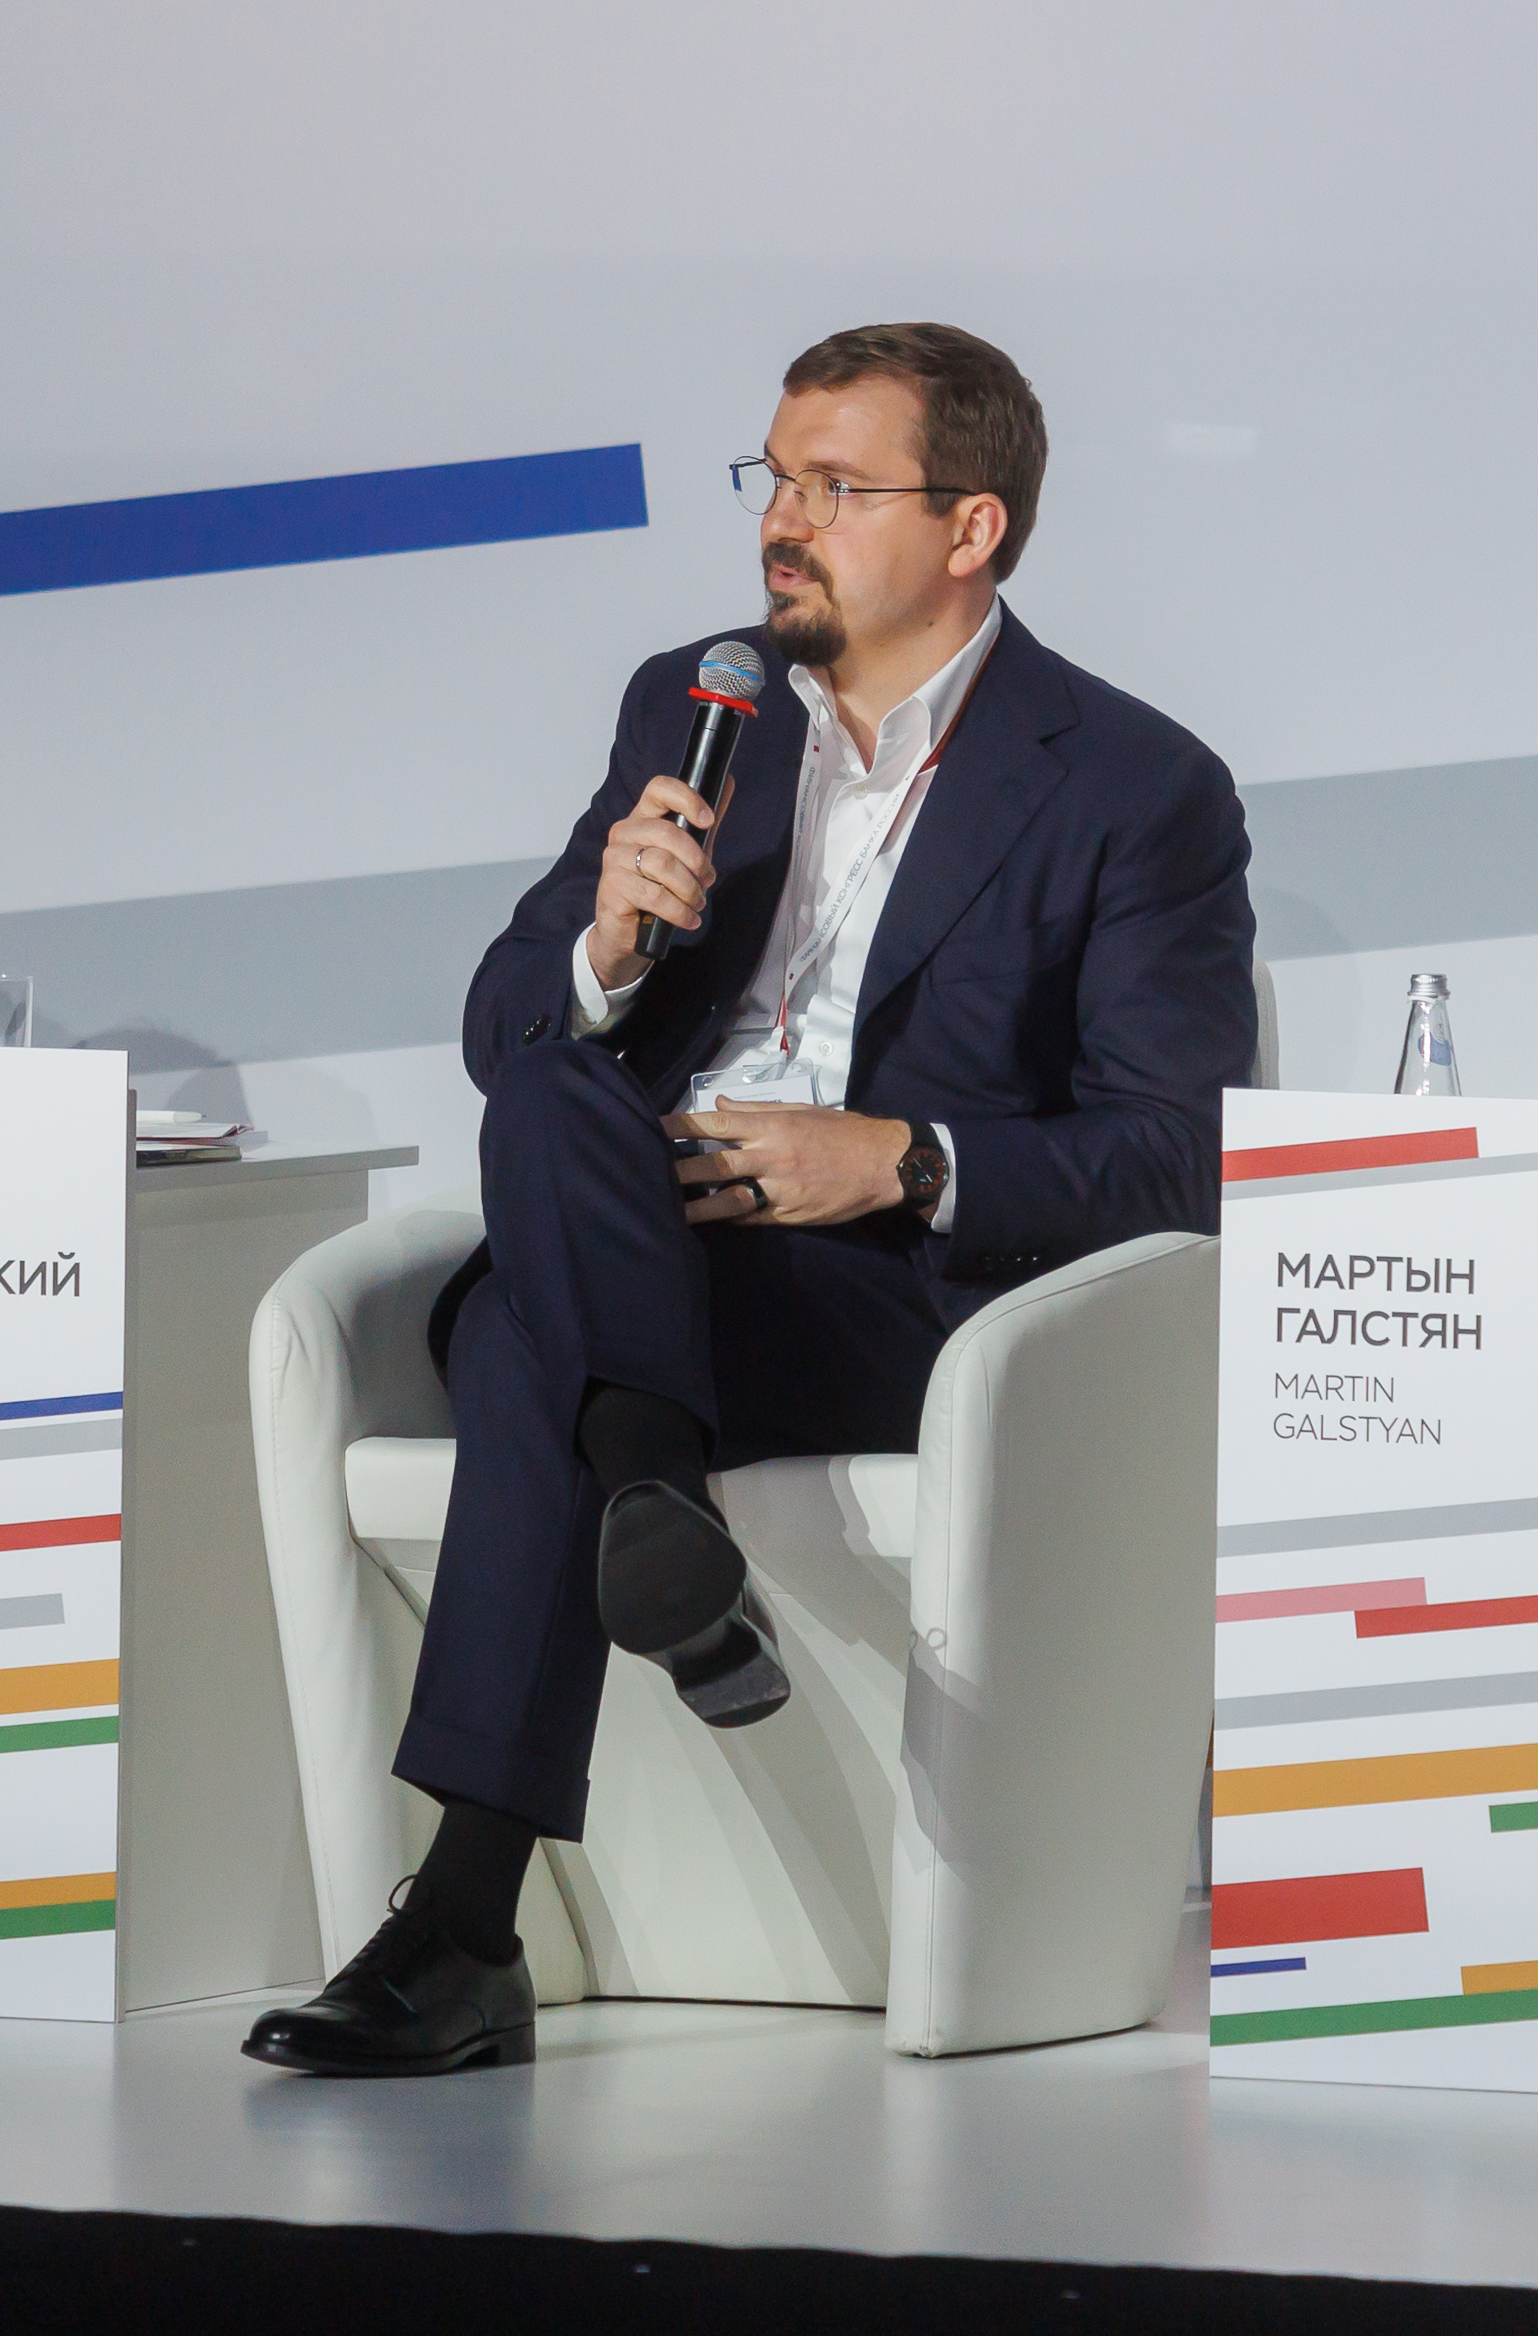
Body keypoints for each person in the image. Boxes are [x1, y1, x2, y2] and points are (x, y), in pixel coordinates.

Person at [248, 323, 1258, 2075]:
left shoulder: (1134, 786)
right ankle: (654, 1506)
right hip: (640, 1235)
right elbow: (503, 1025)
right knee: (555, 1083)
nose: (782, 521)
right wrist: (606, 946)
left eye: (835, 487)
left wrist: (899, 1155)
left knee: (532, 1349)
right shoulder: (693, 701)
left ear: (971, 528)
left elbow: (1178, 1150)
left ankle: (464, 1926)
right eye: (773, 479)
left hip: (881, 1292)